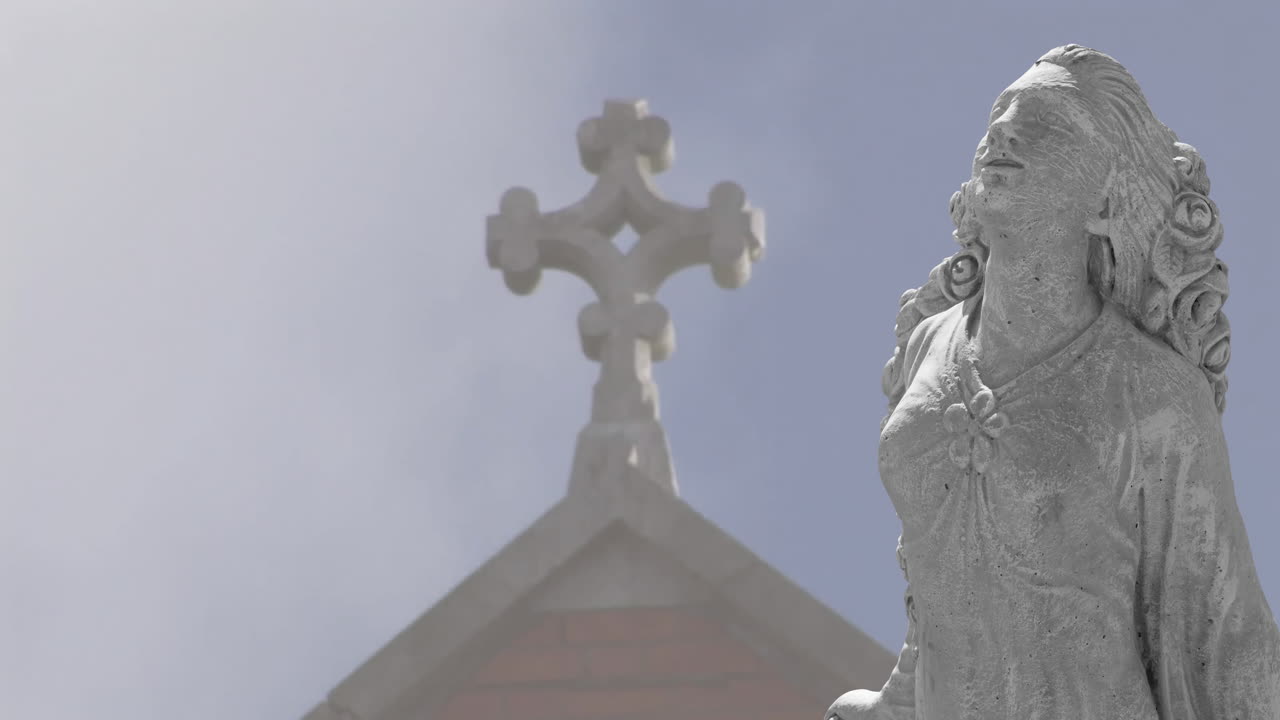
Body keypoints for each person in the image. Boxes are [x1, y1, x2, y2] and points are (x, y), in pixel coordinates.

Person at [828, 45, 1280, 720]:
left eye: (1046, 124)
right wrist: (894, 704)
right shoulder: (931, 342)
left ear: (1105, 199)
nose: (1004, 130)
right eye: (1000, 113)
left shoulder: (1153, 395)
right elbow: (941, 590)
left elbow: (1228, 639)